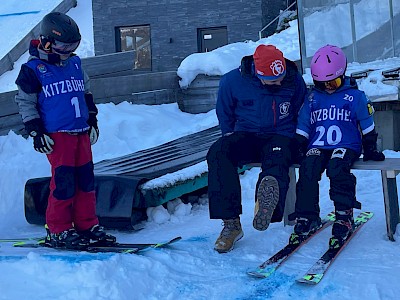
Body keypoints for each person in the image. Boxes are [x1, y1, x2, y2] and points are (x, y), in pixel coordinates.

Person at [14, 12, 116, 249]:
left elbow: (86, 94)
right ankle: (58, 229)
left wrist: (92, 121)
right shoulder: (32, 70)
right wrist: (35, 132)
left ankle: (86, 225)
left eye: (74, 45)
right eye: (63, 45)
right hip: (57, 136)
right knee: (64, 183)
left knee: (86, 182)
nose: (69, 50)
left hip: (80, 132)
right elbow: (25, 103)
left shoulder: (74, 64)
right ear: (47, 41)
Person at [207, 44, 308, 253]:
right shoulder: (232, 81)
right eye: (273, 81)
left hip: (280, 134)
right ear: (257, 73)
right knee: (218, 153)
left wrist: (299, 138)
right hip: (246, 134)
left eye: (281, 77)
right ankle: (231, 224)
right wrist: (229, 135)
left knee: (278, 160)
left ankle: (265, 206)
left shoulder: (293, 79)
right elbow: (224, 111)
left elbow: (302, 108)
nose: (280, 82)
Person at [289, 45, 385, 248]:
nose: (329, 87)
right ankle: (307, 216)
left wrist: (370, 148)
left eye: (334, 81)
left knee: (337, 168)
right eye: (323, 83)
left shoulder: (355, 96)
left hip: (346, 144)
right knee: (308, 169)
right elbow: (304, 124)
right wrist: (298, 145)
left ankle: (344, 215)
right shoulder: (313, 98)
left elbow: (367, 123)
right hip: (318, 144)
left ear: (343, 74)